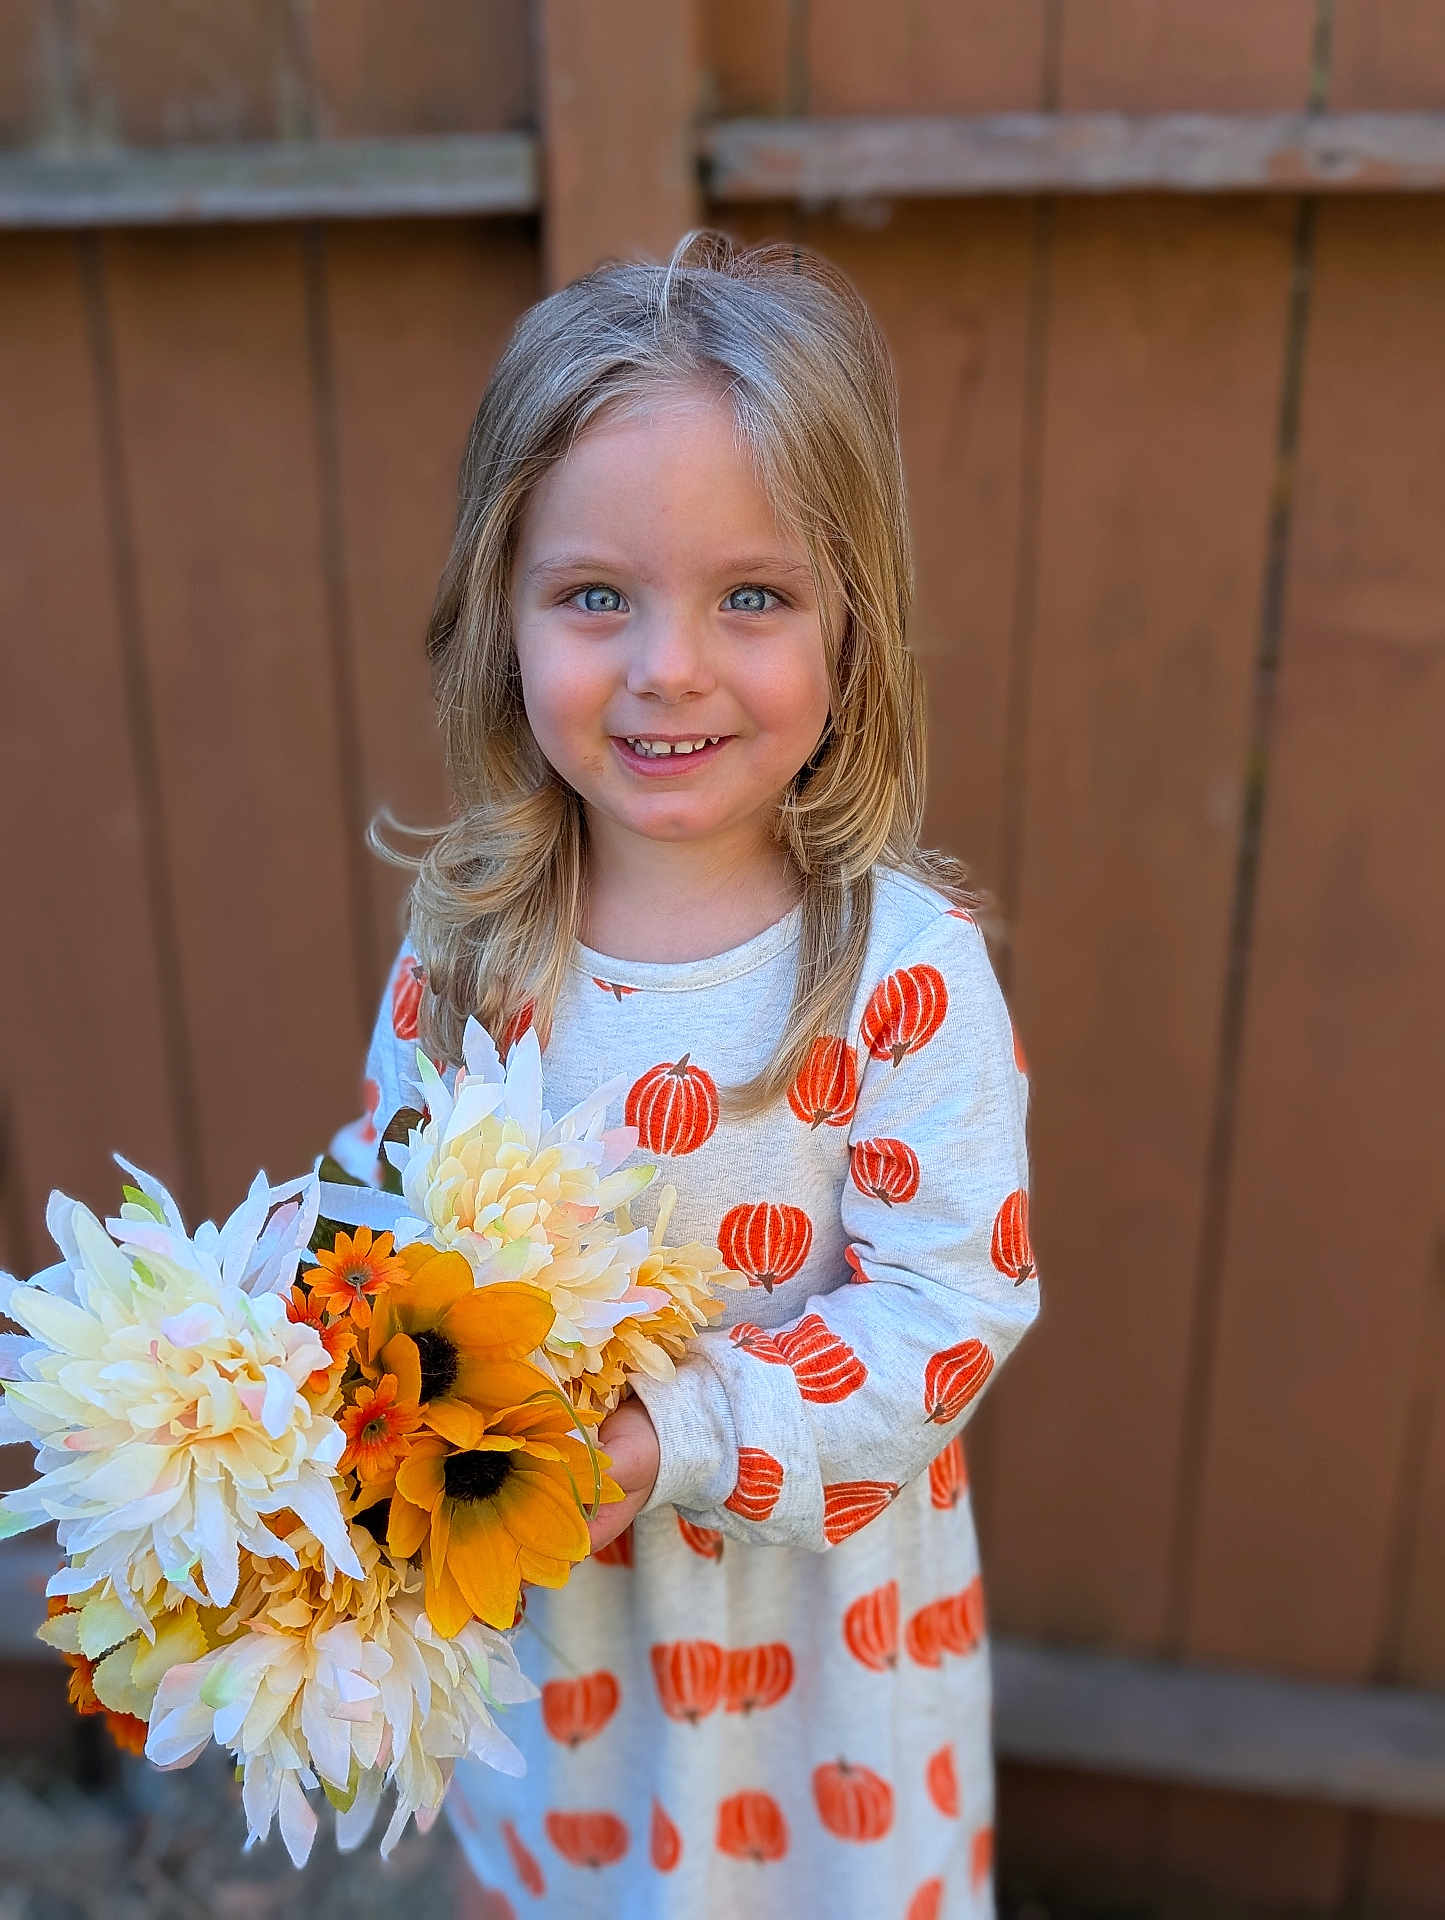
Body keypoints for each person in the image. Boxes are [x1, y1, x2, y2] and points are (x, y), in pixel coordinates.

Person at [332, 228, 1039, 1920]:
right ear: (498, 614)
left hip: (824, 1642)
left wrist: (668, 1436)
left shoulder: (897, 971)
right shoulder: (471, 952)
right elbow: (377, 1238)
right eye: (596, 595)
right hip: (565, 1628)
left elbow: (950, 1306)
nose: (668, 666)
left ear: (846, 623)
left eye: (750, 596)